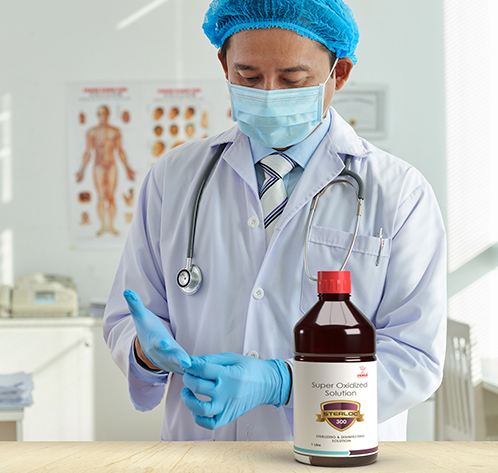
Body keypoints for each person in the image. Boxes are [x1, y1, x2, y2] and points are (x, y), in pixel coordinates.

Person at [103, 0, 446, 442]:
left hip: (334, 451)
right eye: (248, 76)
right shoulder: (175, 178)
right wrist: (144, 352)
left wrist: (286, 382)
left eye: (292, 79)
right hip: (203, 454)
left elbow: (415, 357)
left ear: (338, 74)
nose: (267, 93)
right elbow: (130, 316)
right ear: (224, 65)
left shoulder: (399, 193)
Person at [76, 105, 135, 236]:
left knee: (111, 197)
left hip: (111, 165)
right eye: (100, 114)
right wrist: (82, 170)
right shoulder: (92, 132)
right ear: (98, 115)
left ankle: (111, 226)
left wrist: (127, 168)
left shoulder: (115, 131)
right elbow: (87, 152)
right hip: (98, 166)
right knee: (101, 197)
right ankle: (103, 226)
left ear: (108, 115)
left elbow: (120, 151)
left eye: (105, 114)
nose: (103, 116)